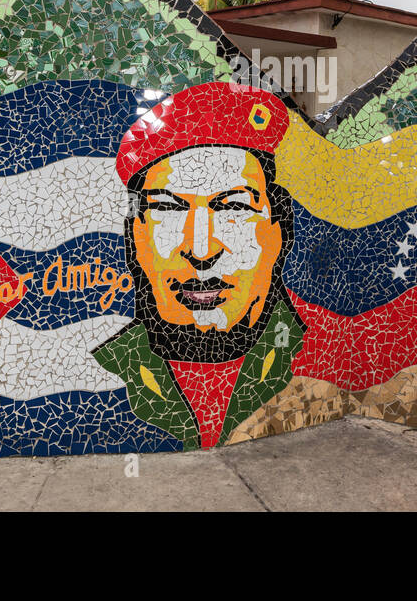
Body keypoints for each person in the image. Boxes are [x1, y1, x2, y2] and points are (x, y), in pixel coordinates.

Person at [93, 81, 306, 450]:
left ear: (278, 231)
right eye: (167, 208)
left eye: (234, 207)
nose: (202, 250)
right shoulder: (105, 369)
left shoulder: (317, 362)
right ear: (135, 237)